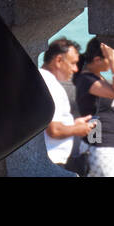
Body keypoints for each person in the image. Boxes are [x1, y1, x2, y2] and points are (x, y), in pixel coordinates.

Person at [72, 38, 114, 178]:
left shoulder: (94, 78)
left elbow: (98, 102)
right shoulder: (87, 80)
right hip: (99, 146)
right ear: (97, 60)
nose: (112, 60)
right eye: (108, 58)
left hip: (102, 145)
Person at [39, 38, 94, 169]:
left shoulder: (41, 78)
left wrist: (72, 124)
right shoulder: (51, 84)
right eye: (73, 63)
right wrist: (78, 129)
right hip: (52, 160)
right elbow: (54, 129)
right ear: (58, 60)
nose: (75, 69)